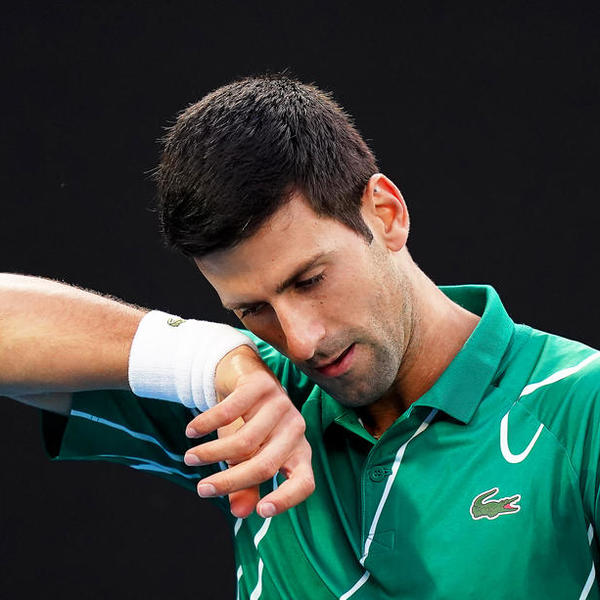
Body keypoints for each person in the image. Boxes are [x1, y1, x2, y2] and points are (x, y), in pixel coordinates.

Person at [2, 74, 599, 599]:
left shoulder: (582, 406)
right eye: (253, 309)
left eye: (310, 280)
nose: (301, 341)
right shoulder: (249, 402)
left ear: (386, 213)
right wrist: (207, 358)